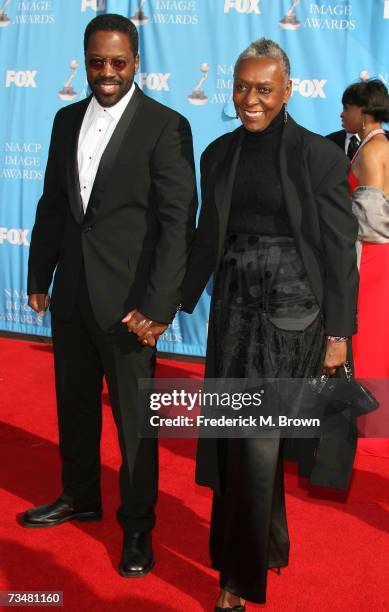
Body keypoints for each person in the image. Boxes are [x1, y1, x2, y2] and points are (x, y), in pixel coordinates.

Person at [182, 39, 359, 608]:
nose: (250, 99)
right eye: (241, 87)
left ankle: (236, 583)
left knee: (254, 445)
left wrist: (338, 335)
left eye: (263, 89)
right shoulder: (218, 153)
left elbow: (338, 251)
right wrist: (167, 306)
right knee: (234, 444)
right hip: (232, 316)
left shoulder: (319, 156)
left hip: (292, 319)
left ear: (288, 90)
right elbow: (207, 241)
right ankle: (264, 545)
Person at [22, 13, 197, 578]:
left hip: (129, 308)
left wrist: (157, 306)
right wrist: (38, 276)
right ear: (85, 58)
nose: (107, 72)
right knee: (73, 409)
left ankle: (139, 529)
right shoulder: (64, 118)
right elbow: (53, 202)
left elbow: (177, 223)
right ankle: (80, 495)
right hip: (71, 293)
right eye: (97, 61)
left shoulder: (165, 125)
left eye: (118, 62)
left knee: (133, 426)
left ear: (136, 62)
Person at [342, 79, 389, 456]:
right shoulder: (378, 144)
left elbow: (372, 215)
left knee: (369, 338)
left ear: (364, 110)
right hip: (377, 254)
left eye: (348, 108)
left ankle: (373, 422)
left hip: (373, 256)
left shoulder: (373, 150)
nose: (343, 115)